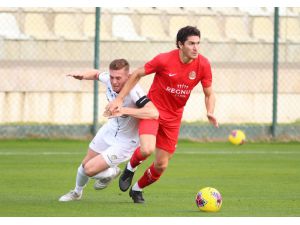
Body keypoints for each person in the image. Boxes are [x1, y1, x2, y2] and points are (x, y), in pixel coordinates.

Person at [106, 26, 219, 204]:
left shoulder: (203, 64)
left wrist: (210, 111)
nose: (196, 48)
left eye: (198, 43)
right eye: (191, 43)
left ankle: (137, 189)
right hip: (153, 112)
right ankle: (130, 167)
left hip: (174, 118)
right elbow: (137, 74)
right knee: (147, 149)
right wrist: (119, 99)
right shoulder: (164, 59)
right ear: (180, 44)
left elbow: (209, 93)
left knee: (161, 164)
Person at [59, 59, 158, 202]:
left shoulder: (135, 91)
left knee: (89, 169)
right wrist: (82, 75)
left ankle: (112, 171)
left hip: (126, 142)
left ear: (128, 76)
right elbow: (96, 74)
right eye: (112, 77)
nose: (114, 81)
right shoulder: (109, 79)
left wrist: (123, 110)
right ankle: (76, 192)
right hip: (109, 130)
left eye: (119, 78)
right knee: (84, 165)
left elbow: (153, 113)